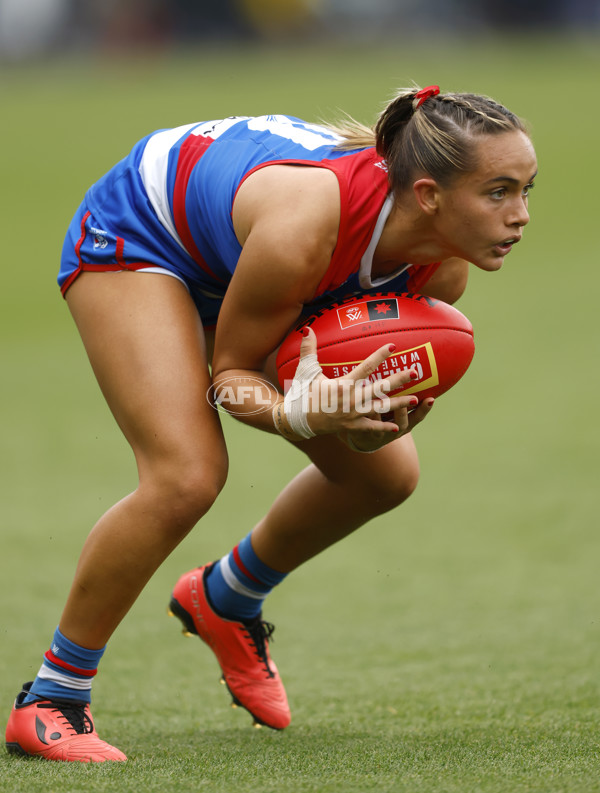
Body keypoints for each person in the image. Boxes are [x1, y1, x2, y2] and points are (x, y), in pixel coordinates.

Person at [5, 86, 537, 762]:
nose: (520, 215)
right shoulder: (303, 225)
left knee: (386, 474)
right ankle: (52, 697)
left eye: (526, 189)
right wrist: (297, 412)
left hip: (244, 258)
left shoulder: (442, 271)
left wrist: (360, 420)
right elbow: (232, 376)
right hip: (143, 234)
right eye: (499, 191)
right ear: (429, 194)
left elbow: (324, 372)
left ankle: (225, 597)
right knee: (186, 475)